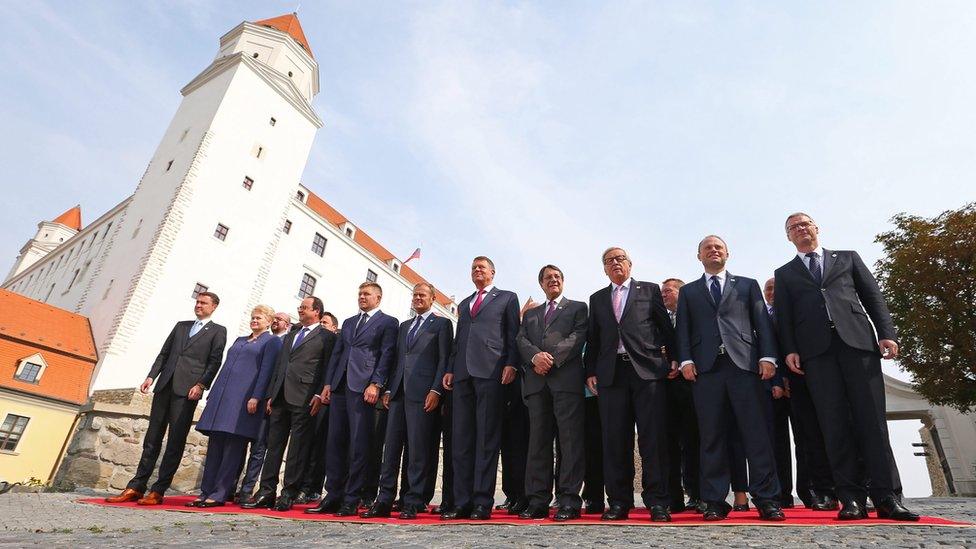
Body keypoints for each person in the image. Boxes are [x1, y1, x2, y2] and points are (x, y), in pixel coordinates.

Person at [774, 212, 918, 521]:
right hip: (816, 354)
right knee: (833, 424)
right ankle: (850, 498)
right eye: (793, 228)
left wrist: (887, 334)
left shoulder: (848, 258)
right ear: (788, 237)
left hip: (858, 346)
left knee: (873, 424)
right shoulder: (785, 273)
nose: (800, 229)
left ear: (816, 228)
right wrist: (789, 351)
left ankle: (888, 497)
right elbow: (784, 317)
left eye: (804, 224)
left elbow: (873, 297)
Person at [675, 235, 784, 521]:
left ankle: (767, 499)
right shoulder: (689, 292)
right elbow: (683, 329)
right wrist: (686, 359)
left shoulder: (747, 285)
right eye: (707, 248)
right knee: (711, 437)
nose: (713, 250)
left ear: (727, 254)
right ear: (699, 256)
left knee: (756, 435)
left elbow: (762, 322)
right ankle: (714, 501)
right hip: (706, 371)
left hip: (745, 367)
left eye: (718, 247)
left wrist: (768, 357)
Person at [105, 292, 227, 505]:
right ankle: (136, 486)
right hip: (164, 386)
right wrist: (151, 376)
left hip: (187, 391)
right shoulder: (181, 326)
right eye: (197, 302)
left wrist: (201, 385)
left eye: (203, 303)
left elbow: (214, 362)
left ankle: (158, 491)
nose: (198, 305)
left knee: (174, 442)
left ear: (214, 306)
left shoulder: (218, 331)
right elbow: (164, 353)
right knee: (151, 439)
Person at [585, 247, 675, 522]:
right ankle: (619, 502)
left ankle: (658, 501)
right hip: (611, 376)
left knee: (653, 439)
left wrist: (674, 358)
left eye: (619, 258)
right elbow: (594, 338)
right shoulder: (597, 298)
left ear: (630, 263)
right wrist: (590, 370)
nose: (615, 263)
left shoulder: (649, 291)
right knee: (615, 440)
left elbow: (666, 329)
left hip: (647, 373)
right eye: (609, 260)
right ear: (604, 269)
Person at [441, 256, 520, 520]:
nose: (476, 270)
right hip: (463, 374)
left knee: (486, 440)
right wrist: (451, 367)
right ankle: (461, 502)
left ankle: (481, 503)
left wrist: (511, 363)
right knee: (462, 441)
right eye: (473, 267)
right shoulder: (464, 303)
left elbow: (512, 334)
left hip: (491, 372)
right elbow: (458, 339)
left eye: (481, 267)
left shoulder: (507, 298)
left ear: (492, 273)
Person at [366, 282, 453, 519]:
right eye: (415, 295)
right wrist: (387, 389)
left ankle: (412, 501)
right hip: (397, 395)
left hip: (423, 395)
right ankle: (384, 499)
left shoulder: (442, 324)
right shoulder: (404, 326)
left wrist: (436, 390)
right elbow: (397, 360)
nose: (417, 298)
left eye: (422, 295)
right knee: (391, 449)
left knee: (418, 451)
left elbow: (444, 359)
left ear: (432, 299)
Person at [310, 282, 398, 516]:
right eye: (359, 293)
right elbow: (337, 354)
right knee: (335, 442)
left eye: (367, 294)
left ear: (378, 298)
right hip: (339, 386)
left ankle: (352, 497)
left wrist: (376, 383)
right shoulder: (349, 322)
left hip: (363, 387)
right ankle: (333, 494)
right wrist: (328, 383)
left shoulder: (388, 322)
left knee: (358, 444)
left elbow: (387, 354)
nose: (362, 297)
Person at [242, 297, 337, 512]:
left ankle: (288, 493)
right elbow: (280, 366)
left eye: (304, 308)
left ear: (317, 311)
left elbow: (327, 367)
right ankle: (266, 491)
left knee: (297, 449)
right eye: (299, 307)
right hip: (280, 397)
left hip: (305, 398)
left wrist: (319, 394)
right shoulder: (292, 334)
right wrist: (271, 395)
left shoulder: (326, 336)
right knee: (273, 446)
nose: (300, 311)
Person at [516, 265, 588, 521]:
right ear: (541, 284)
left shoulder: (578, 308)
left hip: (565, 383)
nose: (553, 280)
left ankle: (568, 500)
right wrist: (535, 357)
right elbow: (521, 340)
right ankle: (537, 500)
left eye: (557, 277)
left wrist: (551, 358)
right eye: (548, 278)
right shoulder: (531, 314)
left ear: (563, 281)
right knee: (538, 443)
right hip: (537, 385)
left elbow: (578, 337)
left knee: (569, 443)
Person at [191, 305, 282, 507]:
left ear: (268, 322)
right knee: (215, 445)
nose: (254, 320)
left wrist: (256, 396)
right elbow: (225, 367)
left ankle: (220, 493)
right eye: (253, 317)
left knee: (233, 448)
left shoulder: (272, 342)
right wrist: (213, 393)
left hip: (244, 401)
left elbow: (266, 371)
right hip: (222, 399)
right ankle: (205, 491)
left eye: (259, 318)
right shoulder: (240, 340)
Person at [764, 277, 839, 511]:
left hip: (800, 383)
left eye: (777, 288)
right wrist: (778, 379)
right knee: (776, 443)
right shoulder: (761, 316)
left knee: (806, 440)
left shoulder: (795, 314)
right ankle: (780, 493)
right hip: (771, 387)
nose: (772, 292)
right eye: (768, 289)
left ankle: (810, 491)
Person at [236, 311, 292, 503]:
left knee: (259, 447)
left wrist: (270, 397)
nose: (276, 321)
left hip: (268, 400)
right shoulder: (264, 340)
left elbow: (276, 372)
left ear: (287, 325)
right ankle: (233, 485)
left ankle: (247, 488)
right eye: (274, 319)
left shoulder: (286, 342)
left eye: (280, 320)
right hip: (253, 398)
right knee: (242, 443)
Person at [661, 277, 703, 513]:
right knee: (669, 444)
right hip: (667, 390)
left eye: (668, 290)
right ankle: (673, 497)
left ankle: (697, 494)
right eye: (662, 292)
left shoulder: (694, 317)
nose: (663, 294)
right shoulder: (660, 320)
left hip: (692, 387)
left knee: (693, 442)